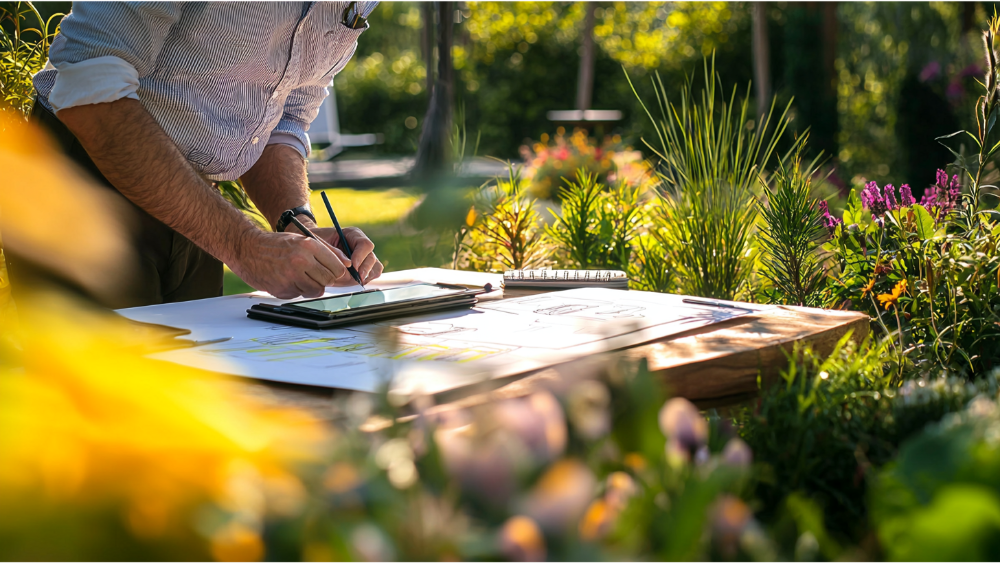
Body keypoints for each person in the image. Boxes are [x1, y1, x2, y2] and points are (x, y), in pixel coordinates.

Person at [16, 0, 384, 308]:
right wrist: (244, 246)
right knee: (100, 373)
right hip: (82, 185)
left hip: (199, 209)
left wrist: (297, 224)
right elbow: (88, 85)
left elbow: (279, 118)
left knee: (193, 370)